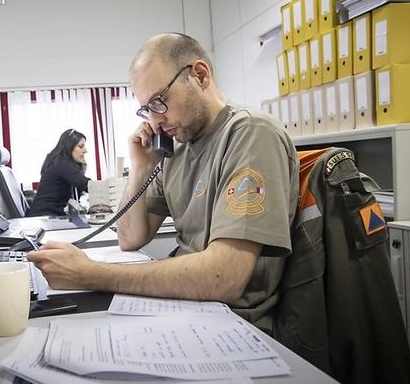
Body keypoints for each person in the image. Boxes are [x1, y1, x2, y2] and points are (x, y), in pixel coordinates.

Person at [27, 33, 299, 334]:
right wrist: (141, 167)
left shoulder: (250, 134)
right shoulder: (177, 150)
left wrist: (92, 274)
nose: (155, 122)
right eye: (147, 109)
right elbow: (130, 238)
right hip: (184, 309)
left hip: (230, 323)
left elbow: (226, 276)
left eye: (160, 101)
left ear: (199, 75)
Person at [27, 129, 91, 217]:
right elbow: (85, 184)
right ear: (69, 147)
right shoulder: (62, 162)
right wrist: (108, 190)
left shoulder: (58, 160)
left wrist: (82, 170)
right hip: (44, 215)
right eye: (80, 146)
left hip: (48, 214)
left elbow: (77, 192)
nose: (85, 150)